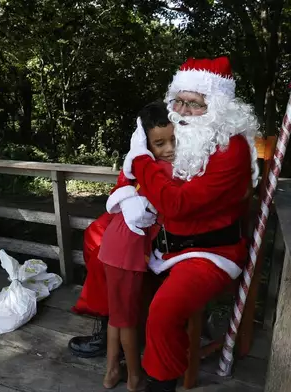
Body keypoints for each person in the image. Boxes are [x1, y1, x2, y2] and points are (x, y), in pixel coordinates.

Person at [71, 57, 261, 392]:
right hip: (164, 238)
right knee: (99, 240)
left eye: (196, 103)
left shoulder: (229, 149)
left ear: (217, 106)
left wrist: (141, 159)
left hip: (209, 251)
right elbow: (126, 181)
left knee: (163, 310)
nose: (185, 110)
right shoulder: (172, 132)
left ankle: (158, 382)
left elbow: (177, 204)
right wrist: (128, 194)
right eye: (179, 101)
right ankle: (114, 326)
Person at [98, 101, 174, 391]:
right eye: (160, 143)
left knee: (116, 316)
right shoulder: (159, 170)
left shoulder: (142, 168)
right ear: (145, 143)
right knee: (127, 319)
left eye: (173, 141)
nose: (168, 149)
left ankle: (110, 372)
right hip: (126, 254)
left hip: (114, 247)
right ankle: (133, 377)